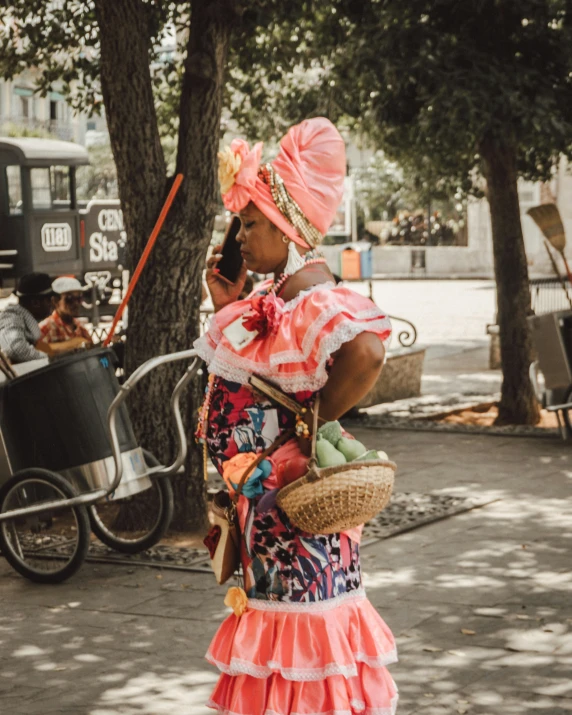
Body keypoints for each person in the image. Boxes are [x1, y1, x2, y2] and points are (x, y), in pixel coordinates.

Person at [195, 118, 397, 715]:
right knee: (290, 666)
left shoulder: (309, 296)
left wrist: (306, 432)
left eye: (252, 222)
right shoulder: (276, 298)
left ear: (286, 225)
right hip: (272, 531)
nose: (241, 233)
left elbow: (368, 352)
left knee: (300, 667)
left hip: (295, 535)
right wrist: (229, 308)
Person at [39, 276, 94, 348]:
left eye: (78, 298)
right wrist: (73, 345)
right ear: (55, 301)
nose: (76, 303)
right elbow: (36, 351)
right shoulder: (46, 327)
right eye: (69, 299)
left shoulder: (80, 327)